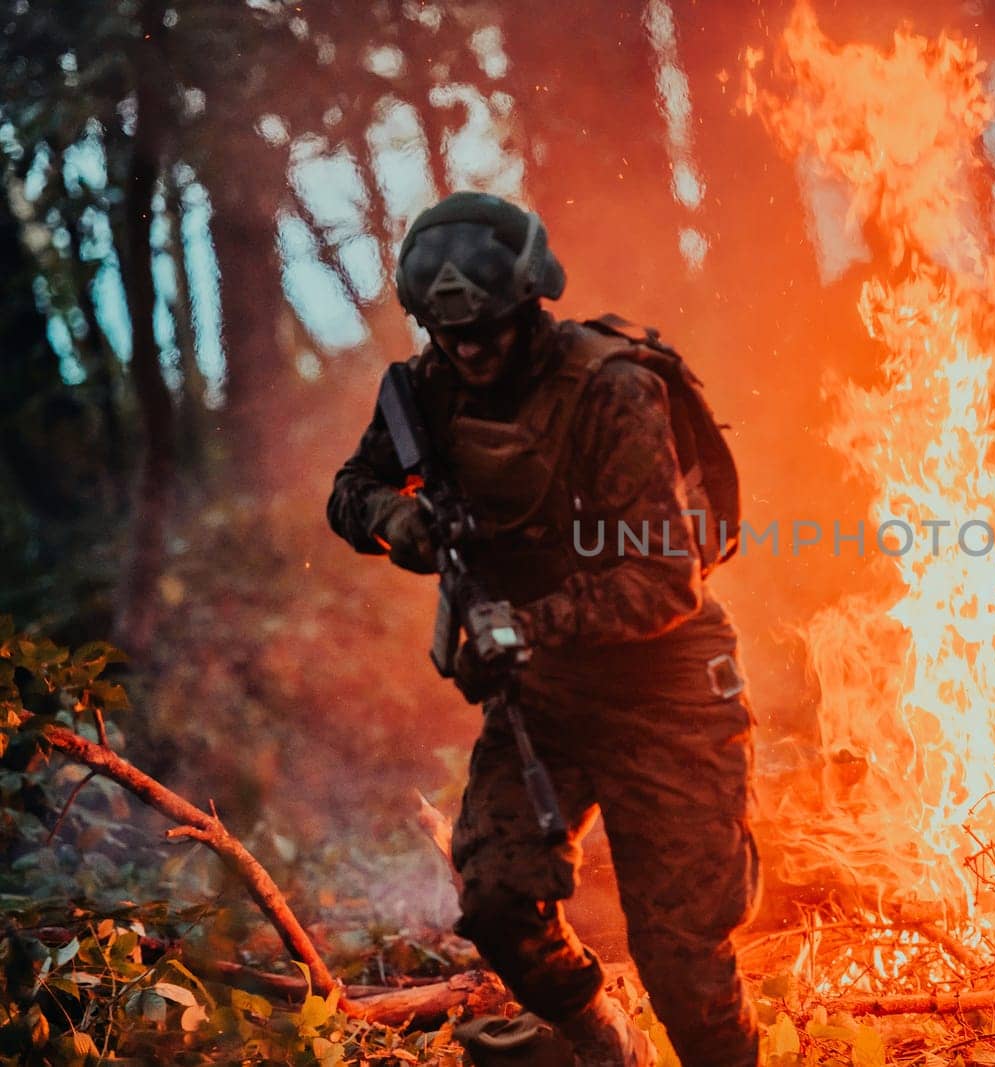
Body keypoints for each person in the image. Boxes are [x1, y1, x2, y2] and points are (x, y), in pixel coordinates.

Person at [326, 191, 760, 1067]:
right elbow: (349, 490)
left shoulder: (614, 390)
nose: (472, 354)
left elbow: (663, 582)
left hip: (665, 691)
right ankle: (606, 1040)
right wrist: (396, 521)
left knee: (685, 961)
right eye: (452, 338)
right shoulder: (424, 393)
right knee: (495, 899)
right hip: (549, 698)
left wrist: (526, 626)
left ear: (530, 306)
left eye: (487, 332)